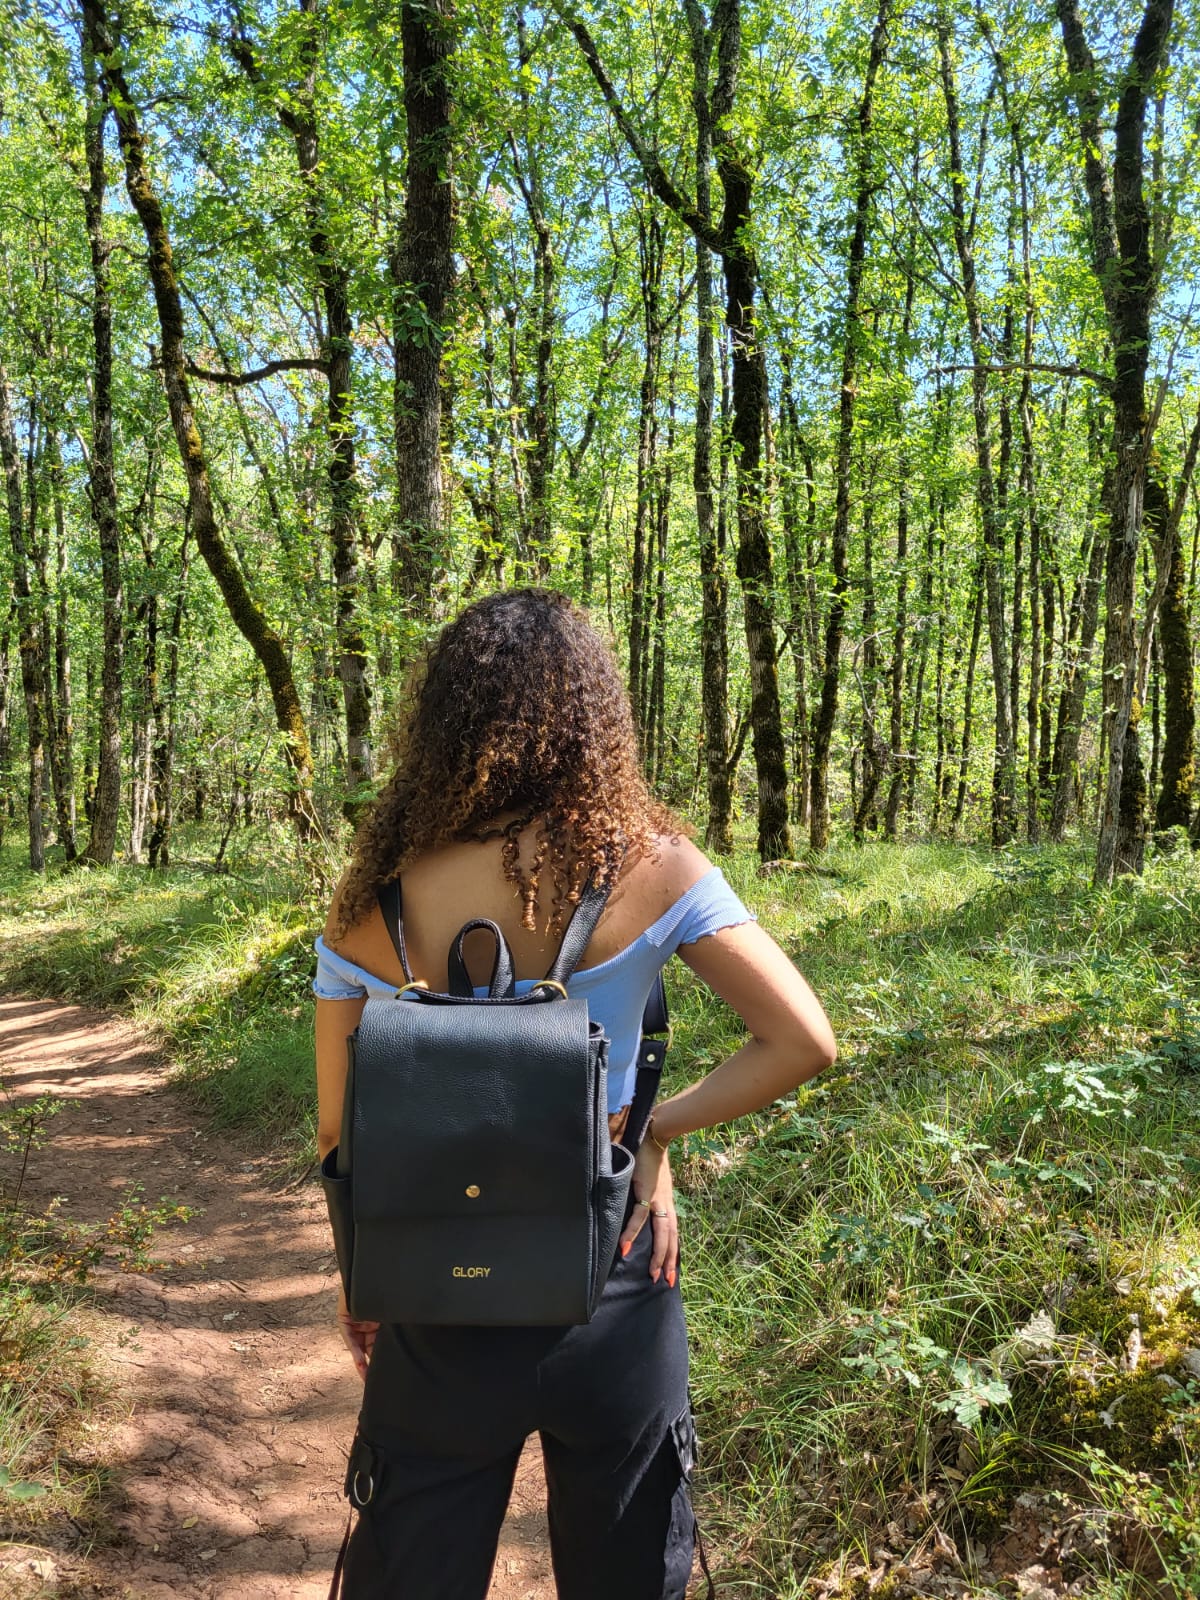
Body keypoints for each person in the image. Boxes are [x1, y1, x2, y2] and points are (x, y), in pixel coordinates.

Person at [313, 587, 836, 1599]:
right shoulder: (656, 866)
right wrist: (651, 1133)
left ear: (443, 723)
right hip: (614, 1280)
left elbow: (340, 1131)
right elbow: (803, 1038)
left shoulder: (370, 904)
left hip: (436, 1290)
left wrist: (358, 1281)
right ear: (593, 716)